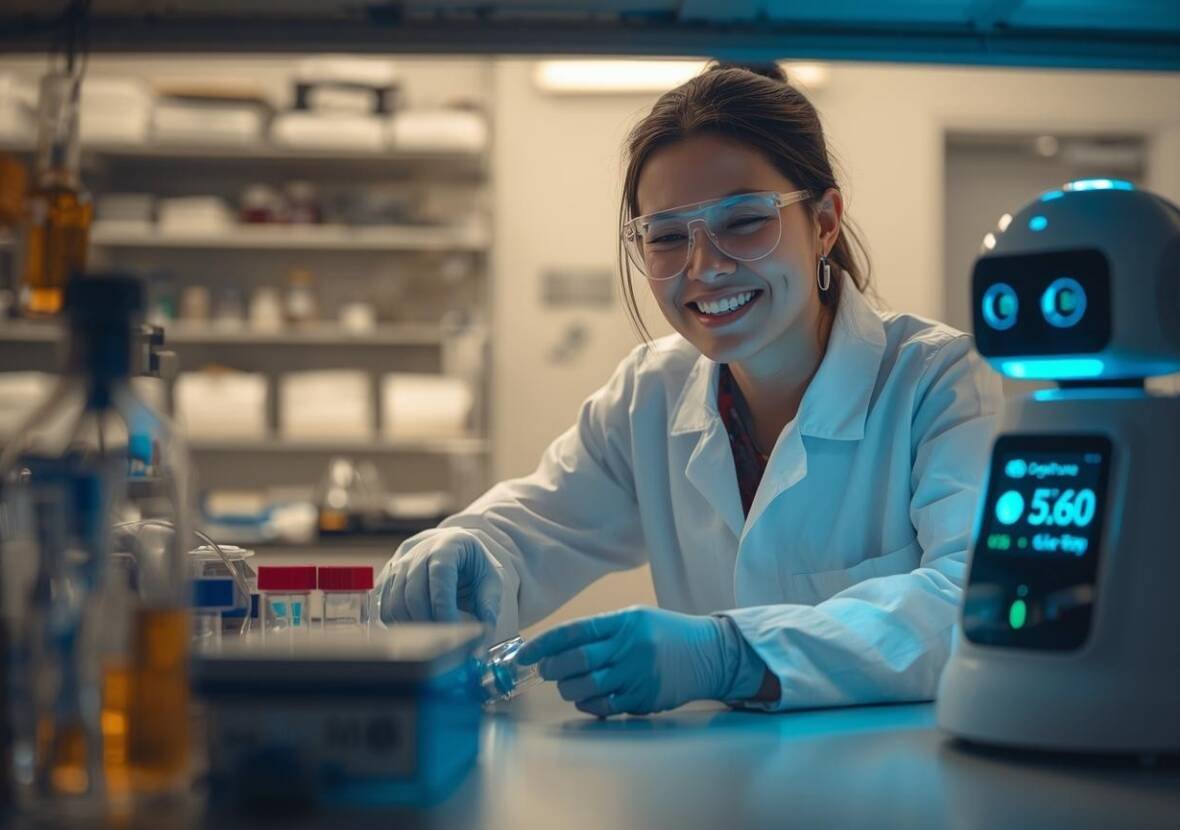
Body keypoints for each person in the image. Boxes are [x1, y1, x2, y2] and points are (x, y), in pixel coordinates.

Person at [378, 62, 999, 717]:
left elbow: (975, 600)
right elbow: (535, 528)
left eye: (745, 222)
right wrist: (461, 554)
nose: (704, 268)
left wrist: (731, 656)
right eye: (668, 236)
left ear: (825, 222)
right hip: (717, 786)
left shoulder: (935, 380)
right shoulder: (651, 395)